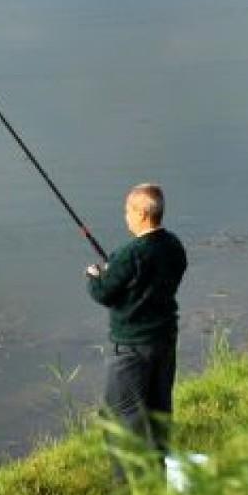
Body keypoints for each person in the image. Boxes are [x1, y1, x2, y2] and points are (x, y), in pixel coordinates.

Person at [85, 183, 187, 478]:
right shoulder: (173, 245)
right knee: (157, 412)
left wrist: (94, 276)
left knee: (120, 418)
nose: (125, 215)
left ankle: (131, 494)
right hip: (165, 340)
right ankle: (157, 478)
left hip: (131, 348)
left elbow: (104, 292)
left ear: (142, 213)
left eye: (128, 210)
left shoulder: (130, 254)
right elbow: (155, 280)